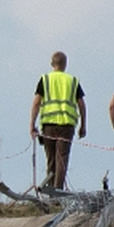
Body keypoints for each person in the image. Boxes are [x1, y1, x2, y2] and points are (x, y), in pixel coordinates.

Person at [29, 51, 86, 191]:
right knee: (62, 159)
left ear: (52, 64)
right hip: (66, 126)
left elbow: (36, 103)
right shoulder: (72, 81)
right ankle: (57, 192)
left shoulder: (45, 79)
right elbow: (82, 104)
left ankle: (50, 191)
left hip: (48, 125)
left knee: (51, 159)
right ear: (65, 64)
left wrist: (32, 124)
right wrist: (83, 125)